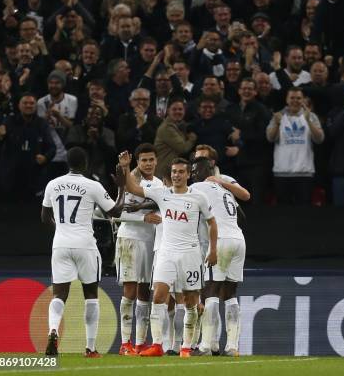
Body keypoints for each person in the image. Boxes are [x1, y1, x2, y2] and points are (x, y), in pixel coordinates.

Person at [118, 152, 218, 358]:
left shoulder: (198, 197)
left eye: (181, 172)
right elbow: (133, 188)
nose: (177, 176)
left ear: (188, 174)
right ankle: (156, 345)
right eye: (174, 172)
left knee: (190, 301)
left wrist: (213, 249)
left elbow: (212, 223)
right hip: (166, 253)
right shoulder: (161, 193)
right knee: (158, 296)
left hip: (190, 254)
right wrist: (126, 168)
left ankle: (186, 347)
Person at [41, 146, 126, 357]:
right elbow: (115, 211)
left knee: (59, 294)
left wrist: (61, 230)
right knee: (91, 295)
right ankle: (90, 347)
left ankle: (53, 330)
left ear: (67, 163)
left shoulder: (53, 184)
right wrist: (122, 188)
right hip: (85, 244)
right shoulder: (92, 186)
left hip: (60, 244)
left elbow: (44, 217)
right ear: (85, 164)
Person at [190, 157, 245, 357]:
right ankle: (232, 347)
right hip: (238, 240)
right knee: (230, 294)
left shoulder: (197, 187)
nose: (193, 173)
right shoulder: (224, 188)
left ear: (205, 171)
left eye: (196, 170)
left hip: (220, 241)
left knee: (211, 291)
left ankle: (206, 345)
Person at [116, 143, 163, 355]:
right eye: (144, 160)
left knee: (145, 291)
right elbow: (116, 212)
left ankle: (140, 343)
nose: (148, 163)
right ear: (138, 162)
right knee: (130, 290)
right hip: (130, 239)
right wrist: (143, 217)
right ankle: (125, 343)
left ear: (156, 160)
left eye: (151, 159)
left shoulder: (160, 184)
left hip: (151, 242)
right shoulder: (129, 180)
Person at [266, 87, 325, 205]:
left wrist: (308, 121)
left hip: (304, 172)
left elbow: (320, 139)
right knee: (283, 212)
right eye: (292, 98)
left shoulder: (311, 116)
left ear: (303, 100)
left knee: (303, 213)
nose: (295, 100)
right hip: (282, 172)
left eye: (298, 98)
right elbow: (270, 138)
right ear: (287, 100)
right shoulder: (278, 116)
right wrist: (277, 123)